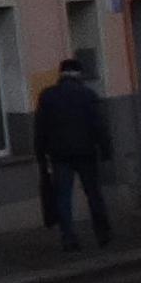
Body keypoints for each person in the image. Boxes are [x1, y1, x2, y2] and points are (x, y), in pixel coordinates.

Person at [36, 53, 116, 250]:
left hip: (59, 154)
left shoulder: (47, 96)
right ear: (78, 74)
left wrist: (40, 154)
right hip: (86, 152)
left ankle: (68, 237)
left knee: (63, 196)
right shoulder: (88, 95)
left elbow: (40, 128)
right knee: (93, 193)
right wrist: (106, 149)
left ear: (61, 74)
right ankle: (102, 233)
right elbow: (99, 125)